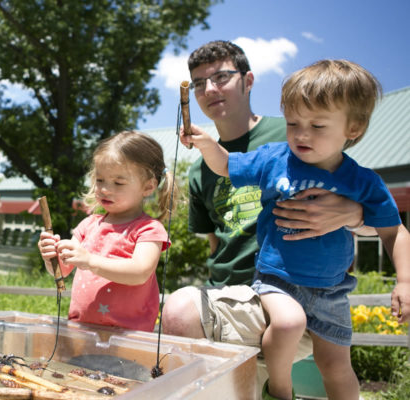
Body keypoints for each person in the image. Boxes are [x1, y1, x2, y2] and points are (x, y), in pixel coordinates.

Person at [181, 59, 410, 400]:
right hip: (278, 278)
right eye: (293, 123)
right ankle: (281, 390)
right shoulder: (276, 158)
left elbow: (395, 232)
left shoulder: (362, 181)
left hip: (331, 290)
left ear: (354, 128)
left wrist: (405, 280)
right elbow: (227, 166)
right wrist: (206, 145)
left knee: (336, 367)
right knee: (288, 323)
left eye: (317, 126)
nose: (301, 134)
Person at [161, 41, 368, 345]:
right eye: (198, 83)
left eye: (221, 77)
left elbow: (380, 216)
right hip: (227, 303)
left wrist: (353, 214)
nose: (209, 90)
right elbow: (215, 243)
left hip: (293, 298)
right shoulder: (200, 169)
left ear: (248, 81)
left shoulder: (296, 135)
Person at [38, 131, 173, 332]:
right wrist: (51, 257)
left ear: (148, 186)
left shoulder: (148, 229)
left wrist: (90, 261)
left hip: (128, 338)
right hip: (81, 331)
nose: (105, 189)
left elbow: (140, 272)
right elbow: (63, 270)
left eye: (118, 183)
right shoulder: (88, 225)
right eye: (100, 180)